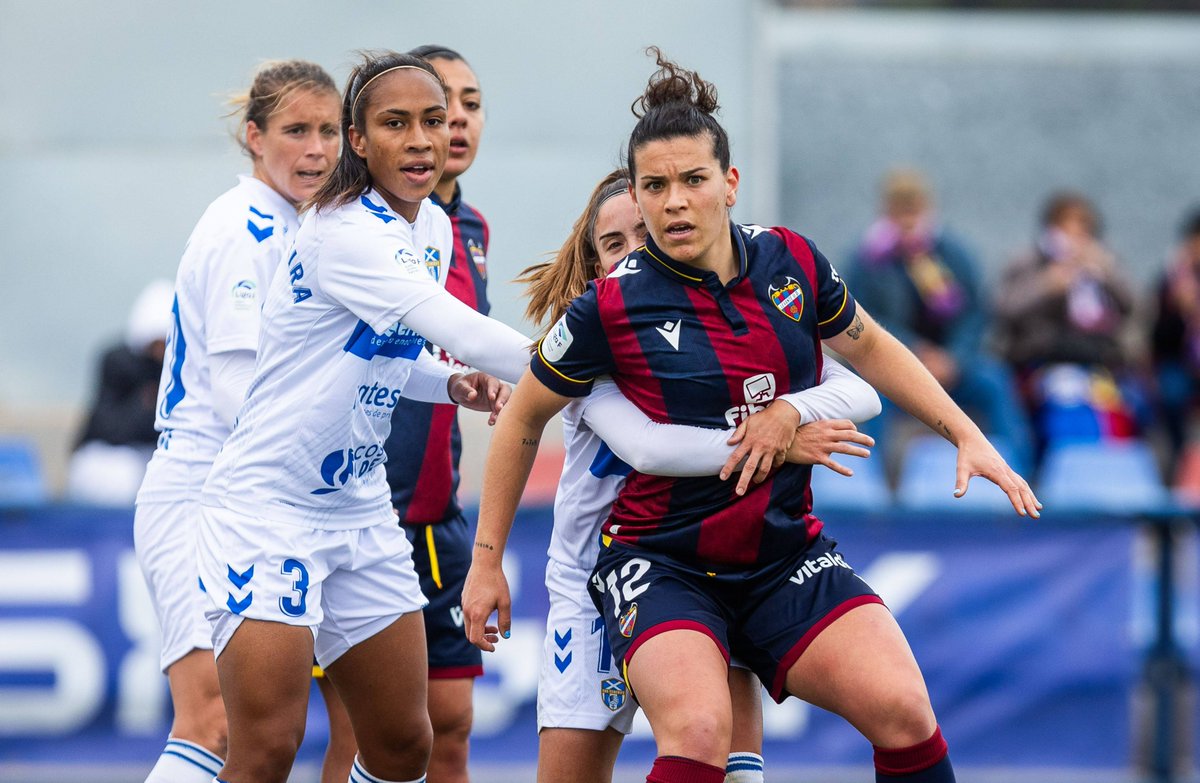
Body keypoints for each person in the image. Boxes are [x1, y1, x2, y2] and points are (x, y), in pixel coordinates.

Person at [463, 50, 1039, 783]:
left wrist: (965, 433)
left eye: (693, 180)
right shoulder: (611, 306)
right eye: (655, 187)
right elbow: (524, 420)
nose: (675, 203)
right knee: (698, 733)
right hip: (661, 560)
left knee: (905, 709)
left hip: (781, 554)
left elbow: (870, 349)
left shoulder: (790, 260)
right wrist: (487, 562)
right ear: (636, 196)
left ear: (729, 184)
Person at [195, 50, 532, 783]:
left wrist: (450, 384)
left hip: (360, 509)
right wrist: (588, 368)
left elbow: (382, 350)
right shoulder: (345, 228)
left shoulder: (433, 226)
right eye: (395, 123)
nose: (421, 140)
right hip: (268, 511)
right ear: (358, 139)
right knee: (267, 748)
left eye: (433, 121)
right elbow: (459, 327)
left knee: (404, 745)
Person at [516, 169, 881, 783]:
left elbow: (858, 386)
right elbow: (651, 448)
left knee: (730, 767)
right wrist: (780, 442)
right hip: (594, 582)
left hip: (700, 571)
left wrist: (788, 411)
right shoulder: (594, 345)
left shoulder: (718, 329)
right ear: (595, 266)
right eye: (613, 244)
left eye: (643, 234)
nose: (633, 253)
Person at [132, 60, 341, 783]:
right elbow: (236, 398)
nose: (316, 149)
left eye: (329, 130)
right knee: (214, 722)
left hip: (260, 497)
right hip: (202, 489)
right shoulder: (241, 229)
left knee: (278, 732)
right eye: (296, 131)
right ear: (254, 137)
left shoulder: (304, 226)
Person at [850, 169, 1032, 474]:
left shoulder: (952, 254)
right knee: (871, 398)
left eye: (914, 211)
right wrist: (915, 353)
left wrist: (954, 358)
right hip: (894, 371)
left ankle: (1017, 476)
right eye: (900, 212)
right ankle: (871, 481)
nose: (908, 222)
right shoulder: (869, 262)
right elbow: (861, 318)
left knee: (994, 384)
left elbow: (975, 313)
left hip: (952, 369)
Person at [994, 191, 1140, 456]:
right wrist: (1045, 286)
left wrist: (1106, 272)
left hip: (1098, 362)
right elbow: (1004, 309)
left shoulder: (1103, 261)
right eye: (1066, 226)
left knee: (1128, 406)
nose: (1074, 235)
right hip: (1041, 359)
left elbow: (1130, 306)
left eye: (1082, 227)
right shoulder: (1028, 261)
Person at [68, 278, 174, 506]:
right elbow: (109, 427)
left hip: (152, 456)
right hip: (109, 456)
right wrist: (144, 406)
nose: (161, 351)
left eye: (166, 342)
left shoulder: (176, 371)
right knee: (126, 478)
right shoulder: (118, 363)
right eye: (156, 342)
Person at [1150, 206, 1200, 473]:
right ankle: (1178, 460)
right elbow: (1160, 336)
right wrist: (1178, 310)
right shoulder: (1173, 279)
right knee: (1171, 394)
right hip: (1181, 363)